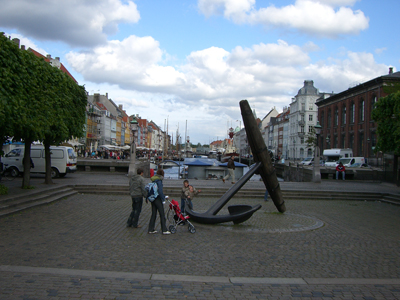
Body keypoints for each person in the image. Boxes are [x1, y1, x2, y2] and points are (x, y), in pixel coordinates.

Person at [148, 169, 170, 235]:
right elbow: (160, 192)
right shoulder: (159, 181)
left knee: (153, 214)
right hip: (158, 199)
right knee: (162, 214)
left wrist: (164, 196)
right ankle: (164, 229)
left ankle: (151, 229)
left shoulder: (153, 180)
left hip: (153, 199)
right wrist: (163, 199)